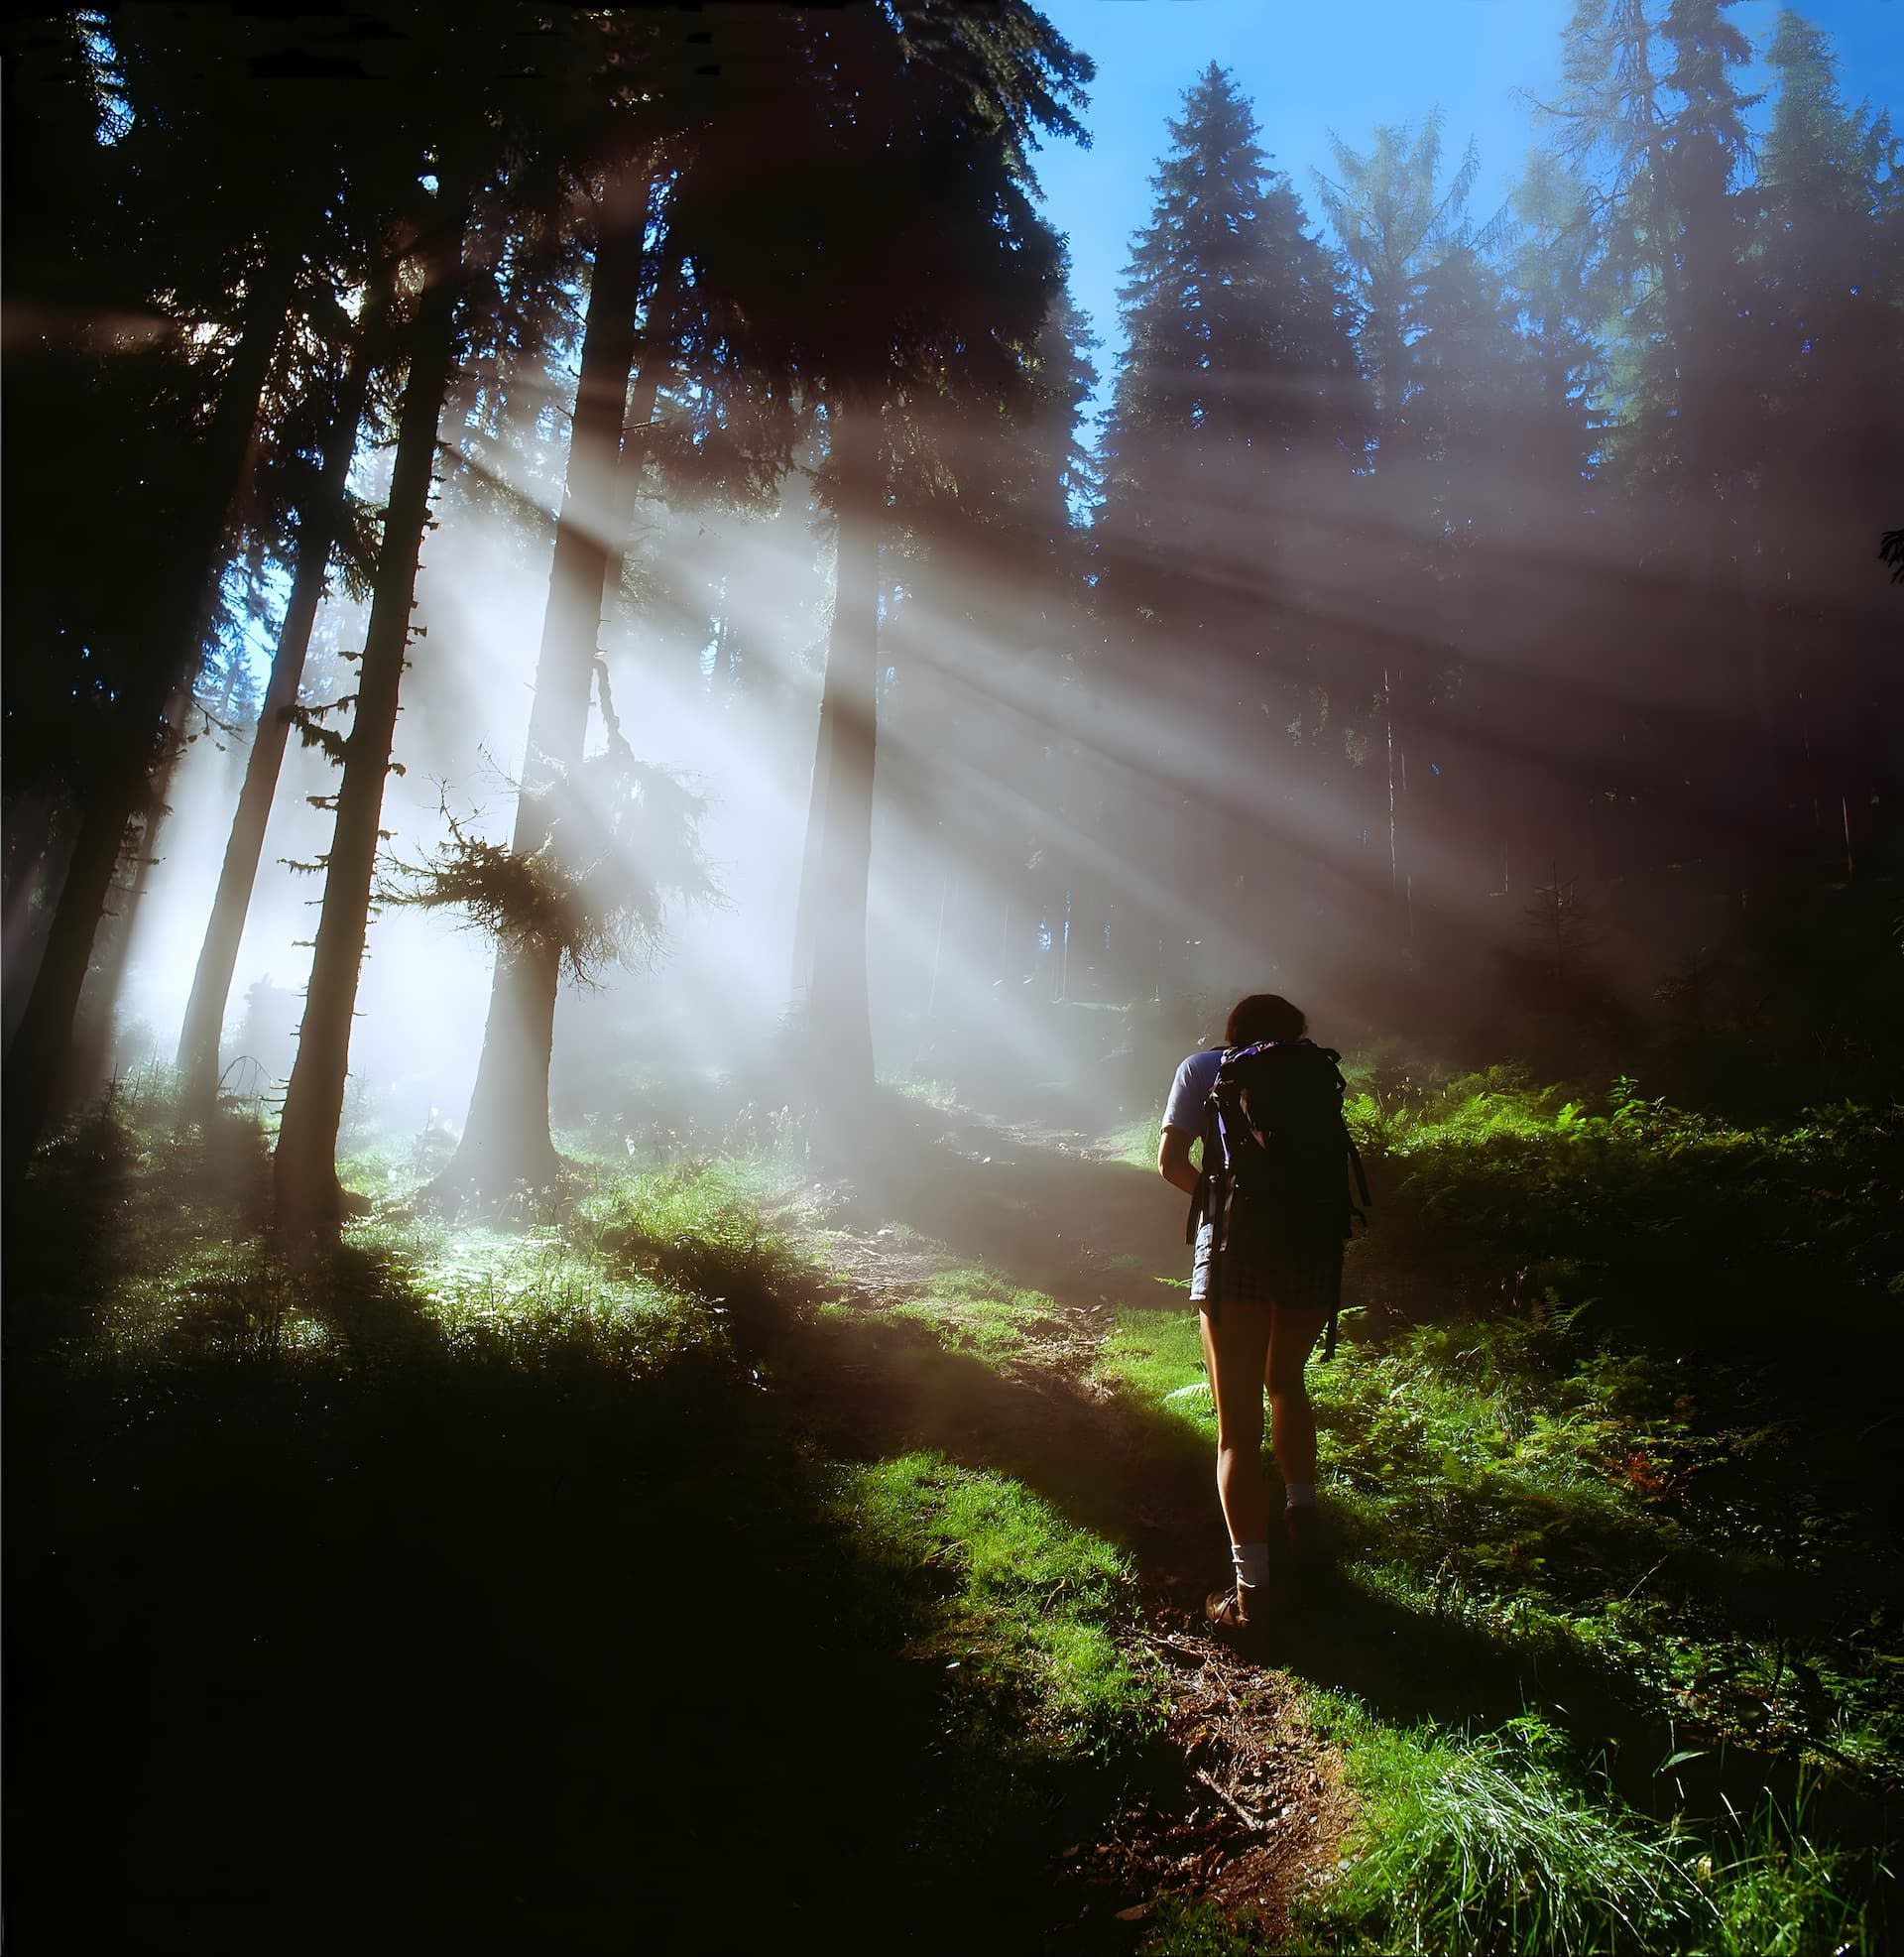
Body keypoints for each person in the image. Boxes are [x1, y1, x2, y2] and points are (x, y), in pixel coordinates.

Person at [1157, 992, 1341, 1630]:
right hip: (1313, 1249)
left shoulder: (1203, 1067)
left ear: (1232, 1031)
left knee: (1238, 1425)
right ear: (1296, 1035)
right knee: (1287, 1381)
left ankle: (1252, 1597)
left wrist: (1224, 1201)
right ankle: (1304, 1517)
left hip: (1234, 1252)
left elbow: (1170, 1163)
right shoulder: (1315, 1071)